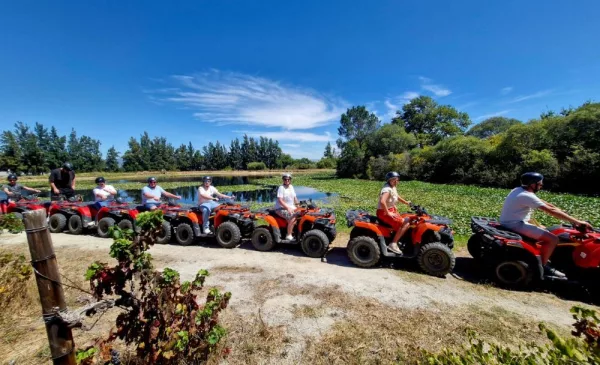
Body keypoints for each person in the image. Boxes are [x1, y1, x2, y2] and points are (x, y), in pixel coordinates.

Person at [500, 172, 593, 278]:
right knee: (553, 239)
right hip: (515, 224)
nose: (541, 186)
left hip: (513, 221)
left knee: (551, 230)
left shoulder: (519, 190)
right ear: (532, 184)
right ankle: (543, 266)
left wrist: (561, 211)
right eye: (539, 184)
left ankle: (545, 257)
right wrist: (578, 222)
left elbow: (547, 204)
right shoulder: (525, 195)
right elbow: (550, 211)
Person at [376, 171, 412, 255]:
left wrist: (406, 202)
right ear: (389, 180)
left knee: (407, 218)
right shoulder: (387, 189)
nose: (396, 181)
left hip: (391, 210)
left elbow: (397, 196)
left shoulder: (393, 187)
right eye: (393, 180)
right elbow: (382, 201)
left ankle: (398, 238)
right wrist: (388, 212)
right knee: (405, 223)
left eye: (397, 179)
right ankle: (393, 243)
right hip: (383, 213)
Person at [274, 173, 300, 241]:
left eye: (288, 179)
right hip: (280, 208)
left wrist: (298, 205)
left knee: (301, 213)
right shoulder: (281, 188)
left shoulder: (291, 187)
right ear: (283, 180)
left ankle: (296, 232)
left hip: (291, 207)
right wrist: (287, 208)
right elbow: (280, 200)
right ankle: (288, 235)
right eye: (285, 179)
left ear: (290, 180)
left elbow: (294, 197)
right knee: (292, 216)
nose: (287, 180)